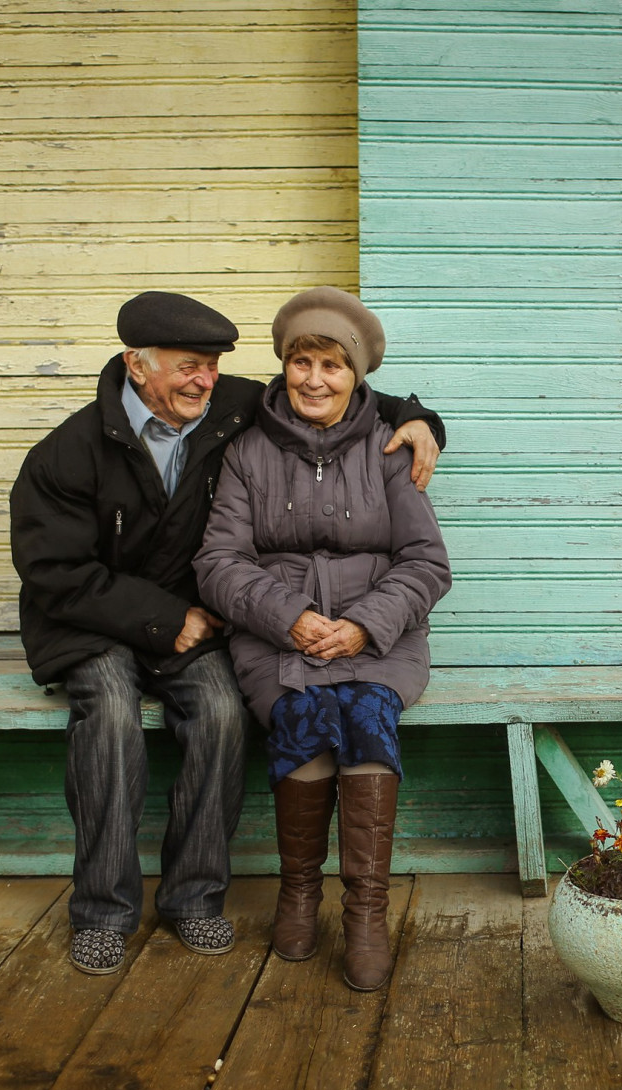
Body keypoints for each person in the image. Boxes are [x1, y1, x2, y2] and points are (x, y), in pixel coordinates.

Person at [10, 291, 446, 975]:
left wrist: (419, 419)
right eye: (189, 366)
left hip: (197, 623)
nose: (204, 380)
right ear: (137, 365)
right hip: (96, 622)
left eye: (212, 366)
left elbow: (348, 393)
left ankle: (194, 898)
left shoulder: (227, 408)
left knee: (220, 713)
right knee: (111, 718)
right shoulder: (69, 453)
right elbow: (52, 572)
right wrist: (170, 618)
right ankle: (102, 909)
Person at [195, 287, 451, 991]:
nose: (313, 378)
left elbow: (427, 563)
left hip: (380, 636)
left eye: (332, 366)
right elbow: (218, 563)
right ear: (283, 365)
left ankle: (366, 910)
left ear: (357, 376)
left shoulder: (392, 448)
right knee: (303, 715)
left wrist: (366, 622)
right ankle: (299, 891)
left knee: (366, 714)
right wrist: (290, 617)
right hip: (277, 636)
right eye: (301, 361)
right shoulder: (247, 452)